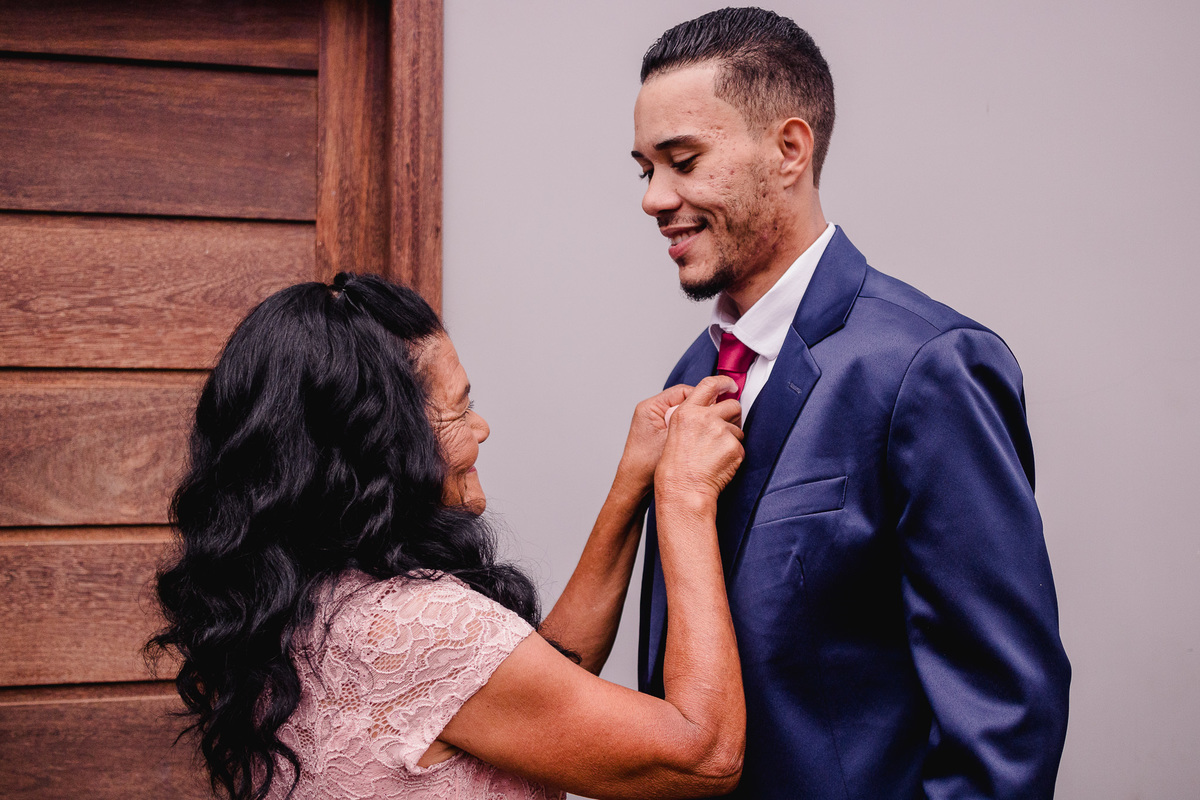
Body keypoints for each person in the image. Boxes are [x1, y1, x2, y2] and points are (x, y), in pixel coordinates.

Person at [631, 8, 1071, 799]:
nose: (655, 198)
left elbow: (1006, 714)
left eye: (684, 161)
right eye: (645, 170)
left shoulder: (926, 367)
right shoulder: (693, 374)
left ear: (790, 149)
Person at [149, 273, 746, 800]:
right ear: (381, 446)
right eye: (460, 410)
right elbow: (702, 754)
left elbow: (536, 688)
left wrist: (630, 488)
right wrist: (685, 496)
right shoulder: (408, 627)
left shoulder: (293, 604)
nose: (481, 428)